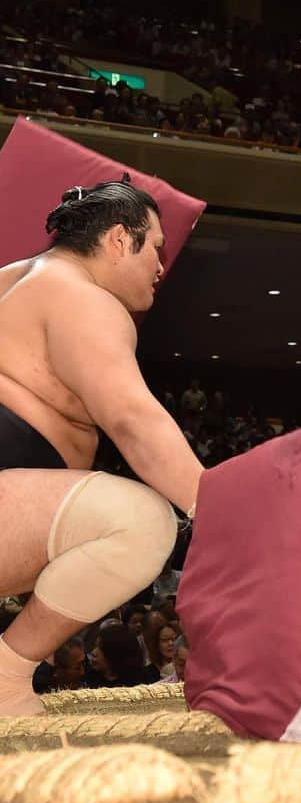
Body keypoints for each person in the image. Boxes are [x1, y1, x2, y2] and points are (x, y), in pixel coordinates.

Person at [0, 180, 202, 715]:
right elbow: (132, 420)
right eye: (156, 247)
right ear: (118, 239)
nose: (162, 266)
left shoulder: (14, 281)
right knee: (142, 521)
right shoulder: (81, 297)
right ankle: (2, 679)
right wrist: (217, 510)